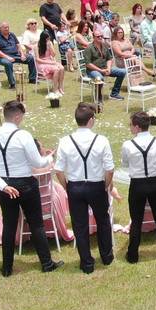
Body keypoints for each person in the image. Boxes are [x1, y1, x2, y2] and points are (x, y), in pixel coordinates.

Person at [0, 101, 64, 276]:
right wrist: (49, 158)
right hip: (25, 184)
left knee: (9, 225)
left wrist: (3, 186)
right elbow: (37, 162)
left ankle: (7, 267)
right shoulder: (23, 135)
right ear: (17, 116)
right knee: (36, 223)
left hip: (4, 185)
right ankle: (47, 263)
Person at [55, 102, 115, 273]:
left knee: (80, 226)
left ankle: (87, 263)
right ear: (91, 120)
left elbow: (58, 170)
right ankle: (106, 256)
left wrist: (67, 187)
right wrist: (106, 184)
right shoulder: (101, 140)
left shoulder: (65, 141)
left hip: (75, 186)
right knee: (103, 221)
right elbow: (109, 168)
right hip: (96, 185)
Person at [121, 111, 156, 263]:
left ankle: (133, 255)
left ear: (137, 127)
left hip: (137, 185)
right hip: (155, 183)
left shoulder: (128, 145)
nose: (130, 128)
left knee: (136, 220)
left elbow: (125, 164)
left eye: (131, 125)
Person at [0, 22, 37, 88]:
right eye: (5, 28)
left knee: (30, 58)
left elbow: (18, 46)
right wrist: (8, 57)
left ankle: (32, 79)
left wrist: (22, 54)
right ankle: (12, 84)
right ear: (0, 28)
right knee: (8, 63)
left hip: (16, 55)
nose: (7, 29)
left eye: (8, 27)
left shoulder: (12, 35)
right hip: (3, 57)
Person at [84, 32, 126, 101]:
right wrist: (100, 71)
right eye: (98, 36)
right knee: (99, 78)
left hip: (105, 68)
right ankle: (98, 98)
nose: (100, 38)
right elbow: (88, 64)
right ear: (93, 37)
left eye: (101, 36)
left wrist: (108, 68)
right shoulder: (89, 48)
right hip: (92, 71)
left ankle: (114, 94)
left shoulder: (104, 46)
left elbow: (109, 59)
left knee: (122, 72)